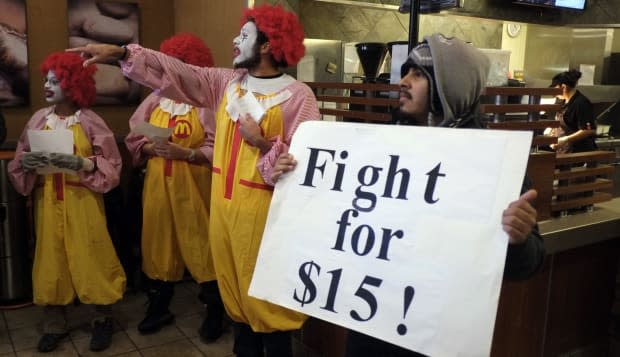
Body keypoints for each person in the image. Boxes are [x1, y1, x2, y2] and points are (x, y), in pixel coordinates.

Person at [69, 4, 320, 356]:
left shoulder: (299, 97)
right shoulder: (225, 84)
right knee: (237, 304)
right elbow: (176, 71)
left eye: (244, 35)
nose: (235, 39)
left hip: (266, 219)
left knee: (269, 306)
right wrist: (123, 53)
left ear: (267, 45)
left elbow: (308, 166)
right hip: (223, 213)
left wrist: (263, 143)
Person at [272, 33, 546, 357]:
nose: (403, 81)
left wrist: (520, 238)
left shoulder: (493, 165)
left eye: (418, 74)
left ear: (448, 86)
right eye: (406, 71)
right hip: (371, 326)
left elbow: (527, 266)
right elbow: (337, 210)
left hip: (433, 336)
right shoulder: (383, 148)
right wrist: (294, 177)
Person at [7, 52, 126, 353]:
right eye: (46, 79)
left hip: (82, 199)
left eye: (55, 80)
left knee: (92, 257)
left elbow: (111, 163)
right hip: (48, 199)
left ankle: (102, 319)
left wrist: (83, 164)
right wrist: (28, 163)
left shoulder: (90, 121)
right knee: (51, 259)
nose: (47, 85)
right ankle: (54, 324)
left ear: (73, 84)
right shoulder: (38, 119)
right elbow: (20, 157)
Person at [124, 32, 225, 341]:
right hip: (157, 183)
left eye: (181, 64)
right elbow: (134, 136)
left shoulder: (205, 103)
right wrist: (149, 148)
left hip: (194, 185)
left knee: (202, 244)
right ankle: (159, 305)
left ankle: (215, 309)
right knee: (157, 242)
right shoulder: (155, 99)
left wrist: (189, 153)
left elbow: (218, 145)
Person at [548, 69, 597, 153]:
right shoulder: (562, 101)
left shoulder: (581, 103)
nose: (555, 94)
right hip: (564, 151)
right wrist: (552, 129)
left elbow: (589, 130)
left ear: (563, 87)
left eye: (555, 89)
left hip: (578, 153)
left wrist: (565, 139)